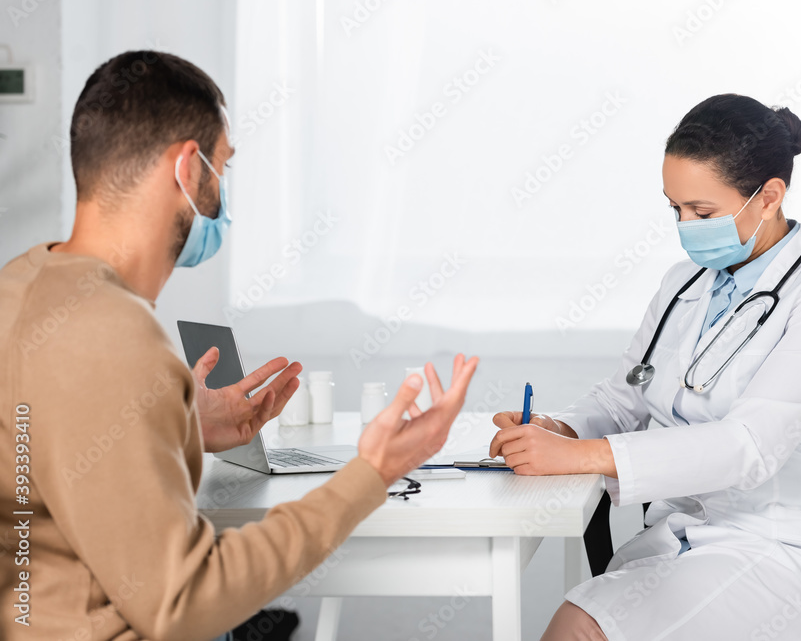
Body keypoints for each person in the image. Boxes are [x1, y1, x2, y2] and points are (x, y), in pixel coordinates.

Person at [0, 50, 478, 641]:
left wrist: (179, 424)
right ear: (186, 168)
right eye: (221, 167)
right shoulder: (114, 335)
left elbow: (35, 473)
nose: (221, 191)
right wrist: (371, 473)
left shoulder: (19, 288)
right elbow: (184, 603)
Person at [490, 94, 801, 640]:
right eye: (676, 209)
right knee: (583, 619)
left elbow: (749, 447)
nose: (686, 226)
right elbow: (624, 397)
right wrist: (560, 429)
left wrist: (579, 456)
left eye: (703, 212)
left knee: (582, 627)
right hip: (677, 540)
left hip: (777, 552)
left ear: (769, 197)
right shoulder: (682, 286)